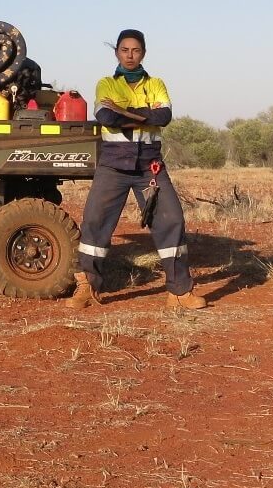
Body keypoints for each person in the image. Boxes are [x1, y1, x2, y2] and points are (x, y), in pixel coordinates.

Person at [66, 29, 206, 311]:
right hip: (113, 165)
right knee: (95, 222)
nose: (130, 55)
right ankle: (87, 288)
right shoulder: (106, 84)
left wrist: (125, 112)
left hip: (149, 166)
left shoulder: (156, 84)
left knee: (172, 220)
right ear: (116, 52)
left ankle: (179, 292)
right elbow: (106, 117)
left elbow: (163, 116)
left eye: (136, 50)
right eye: (124, 50)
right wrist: (144, 115)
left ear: (143, 53)